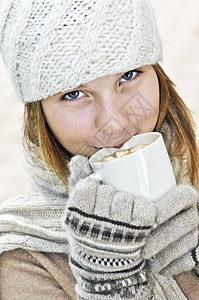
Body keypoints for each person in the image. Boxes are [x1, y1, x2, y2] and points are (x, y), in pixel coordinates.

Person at [0, 0, 199, 299]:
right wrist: (110, 281)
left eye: (129, 75)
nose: (114, 122)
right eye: (74, 94)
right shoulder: (22, 258)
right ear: (39, 114)